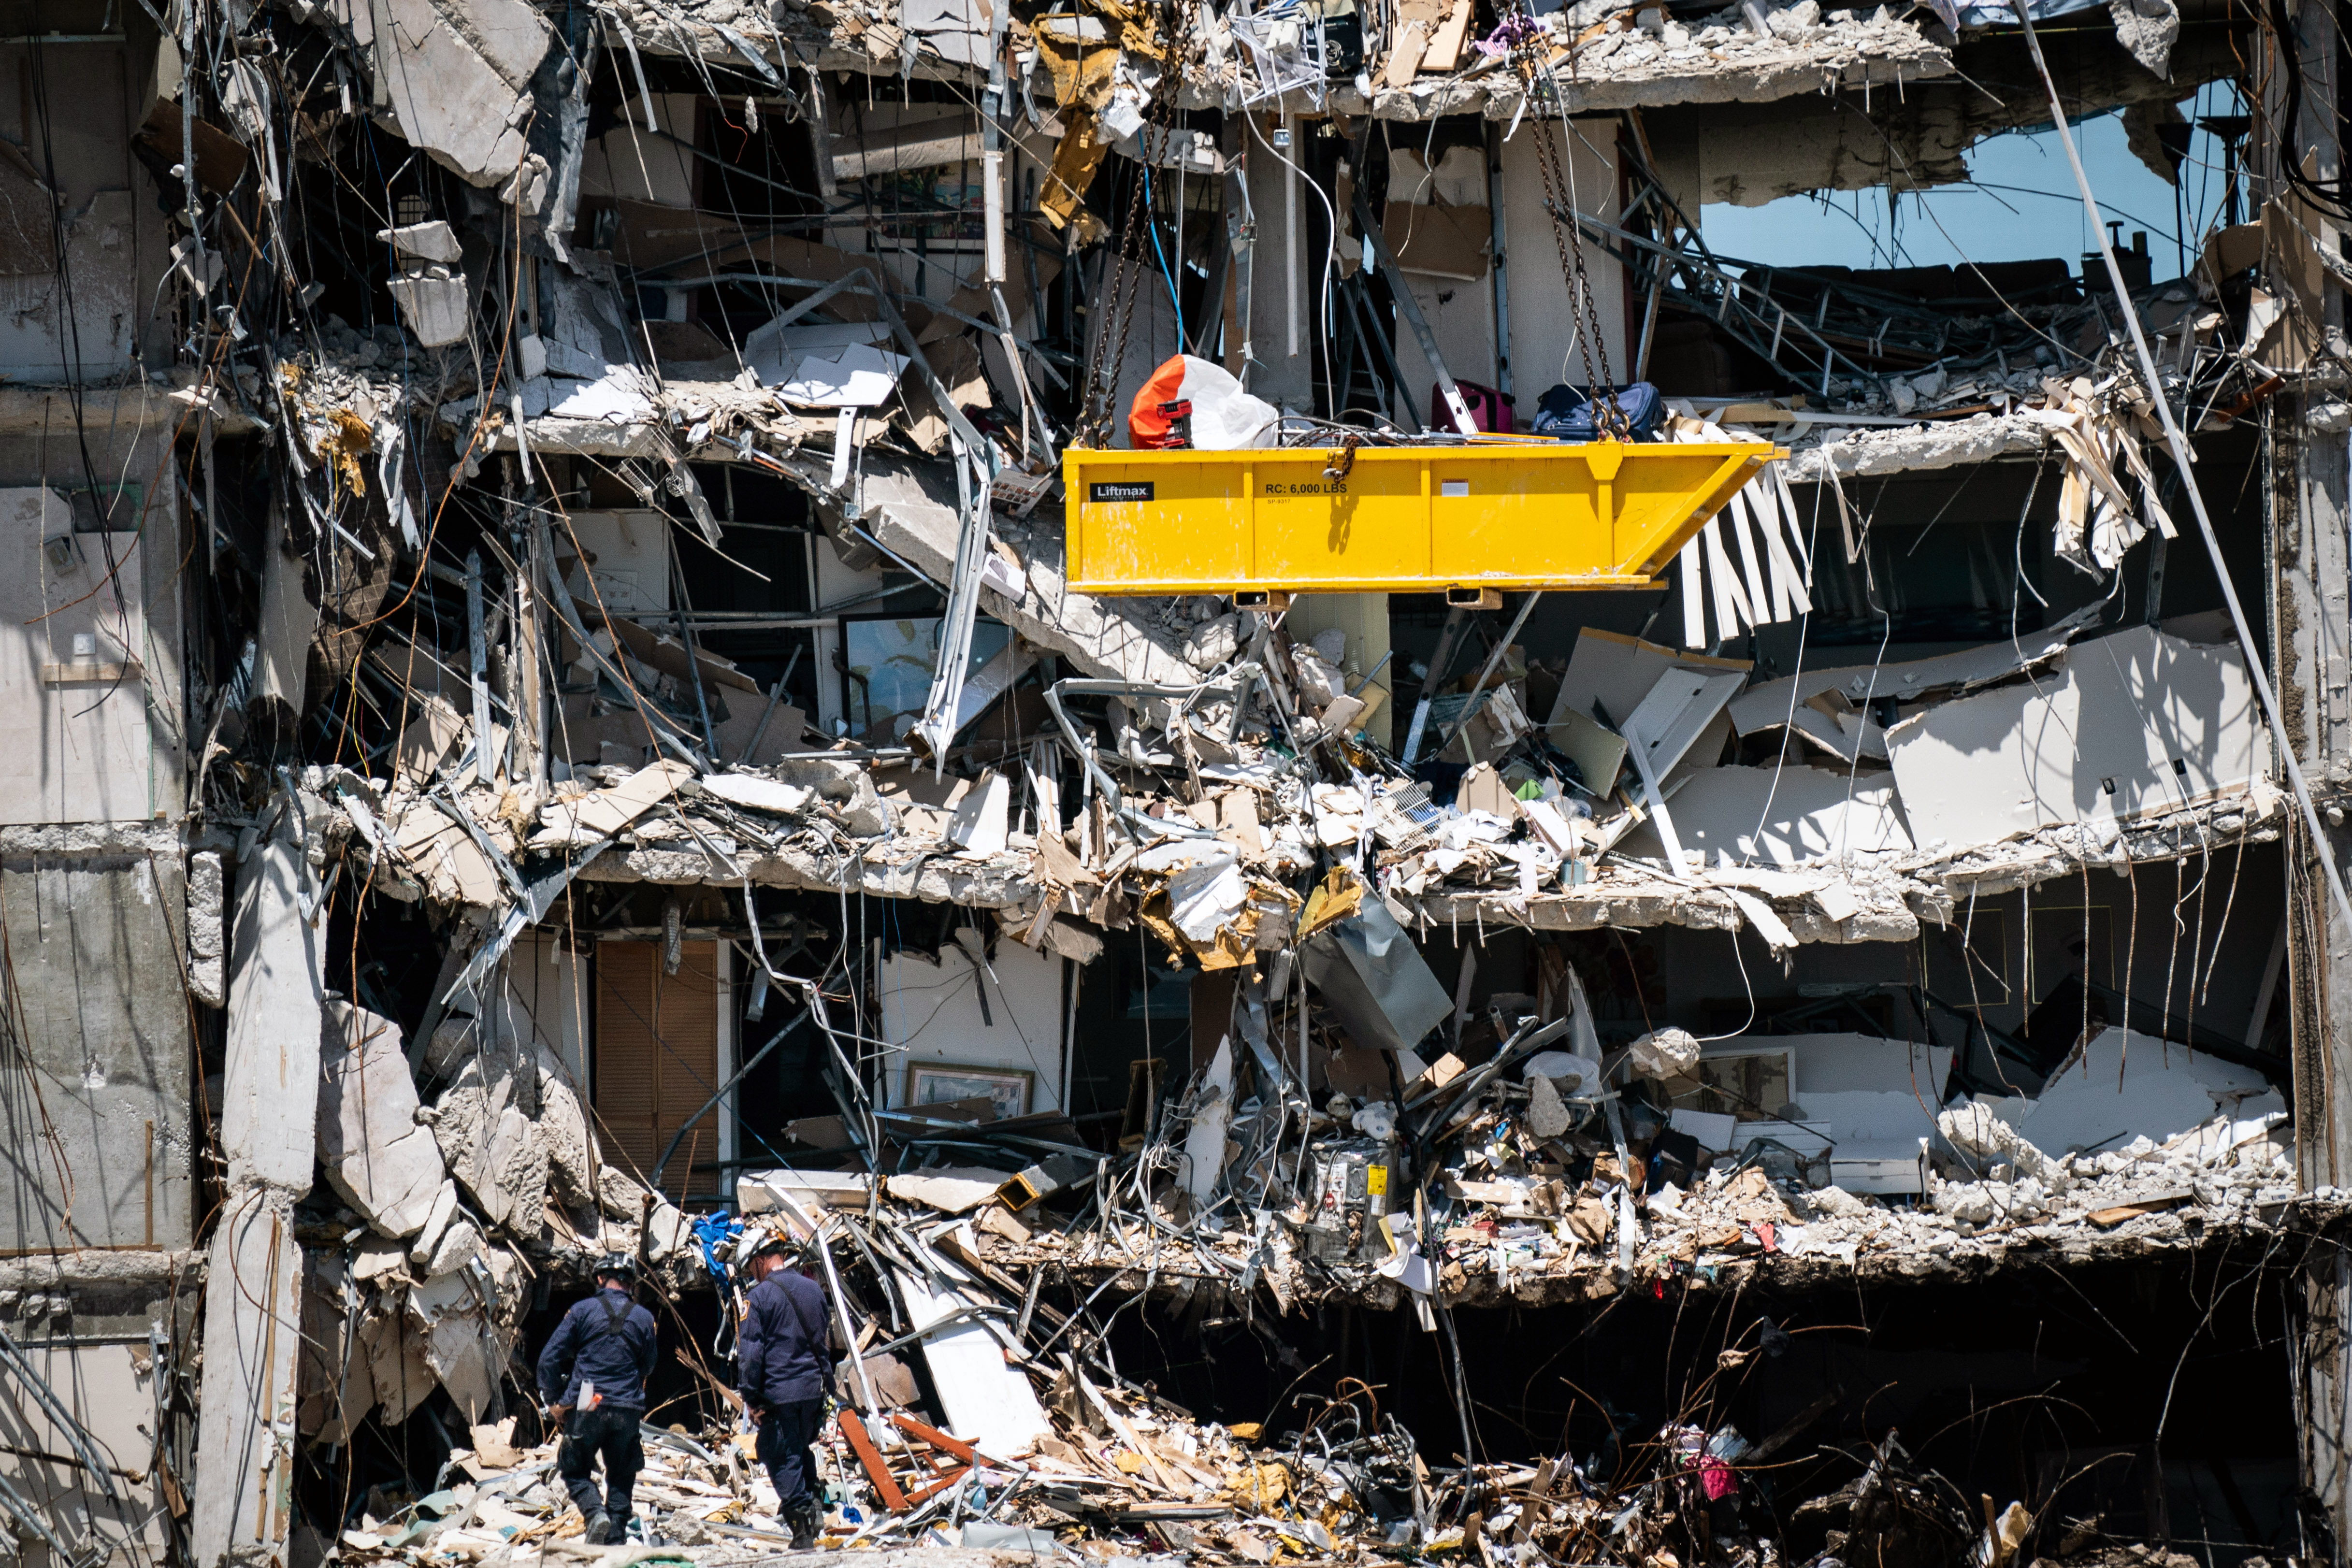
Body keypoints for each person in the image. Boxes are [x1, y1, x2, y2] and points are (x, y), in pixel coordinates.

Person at [537, 1253, 659, 1544]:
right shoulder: (645, 1318)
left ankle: (594, 1515)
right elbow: (649, 1365)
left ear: (601, 1279)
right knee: (622, 1472)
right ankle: (615, 1537)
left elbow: (548, 1360)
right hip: (628, 1403)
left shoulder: (581, 1311)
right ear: (631, 1284)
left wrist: (555, 1400)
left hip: (590, 1398)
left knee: (574, 1466)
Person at [737, 1235, 837, 1548]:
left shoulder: (759, 1297)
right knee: (798, 1449)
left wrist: (752, 1397)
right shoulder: (813, 1290)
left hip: (779, 1393)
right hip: (813, 1390)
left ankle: (802, 1529)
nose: (752, 1275)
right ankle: (815, 1505)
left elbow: (751, 1353)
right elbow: (823, 1341)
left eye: (751, 1268)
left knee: (777, 1453)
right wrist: (828, 1386)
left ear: (760, 1259)